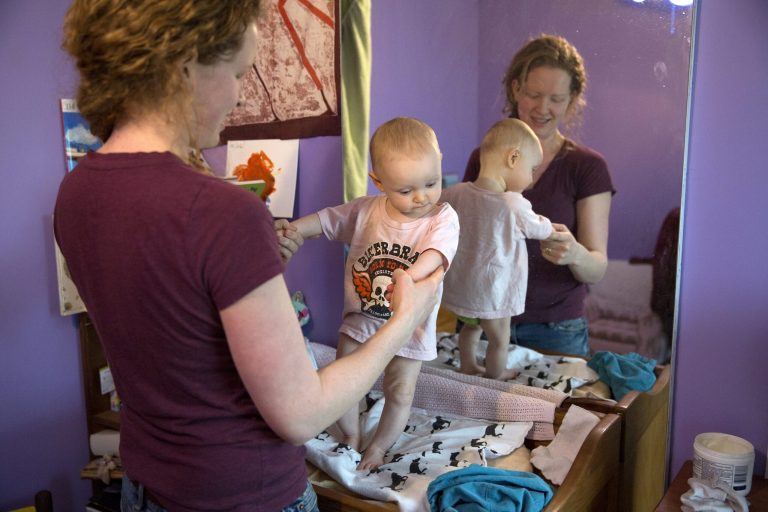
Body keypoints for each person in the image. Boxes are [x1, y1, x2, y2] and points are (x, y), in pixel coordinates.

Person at [55, 2, 444, 511]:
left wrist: (249, 271)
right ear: (188, 64)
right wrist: (406, 318)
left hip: (148, 486)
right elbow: (302, 416)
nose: (241, 95)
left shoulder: (77, 191)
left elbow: (175, 321)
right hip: (243, 495)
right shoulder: (221, 210)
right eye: (238, 73)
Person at [285, 117, 459, 470]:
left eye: (431, 183)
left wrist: (407, 279)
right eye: (406, 191)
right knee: (346, 379)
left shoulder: (442, 218)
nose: (421, 197)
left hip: (411, 325)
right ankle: (350, 434)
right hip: (361, 319)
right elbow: (326, 220)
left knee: (400, 389)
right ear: (378, 181)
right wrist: (296, 230)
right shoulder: (365, 210)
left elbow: (436, 255)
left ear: (440, 162)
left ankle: (379, 445)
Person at [463, 34, 615, 357]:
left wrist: (575, 253)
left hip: (555, 331)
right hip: (482, 320)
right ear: (516, 88)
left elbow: (597, 268)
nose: (543, 108)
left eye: (556, 99)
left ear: (572, 100)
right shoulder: (484, 158)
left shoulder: (587, 167)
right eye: (534, 94)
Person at [441, 119, 553, 380]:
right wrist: (552, 228)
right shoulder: (514, 203)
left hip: (465, 287)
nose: (531, 178)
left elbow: (432, 206)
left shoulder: (456, 193)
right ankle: (495, 374)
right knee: (499, 338)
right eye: (532, 169)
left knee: (469, 329)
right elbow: (539, 229)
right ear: (513, 158)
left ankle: (467, 365)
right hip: (495, 290)